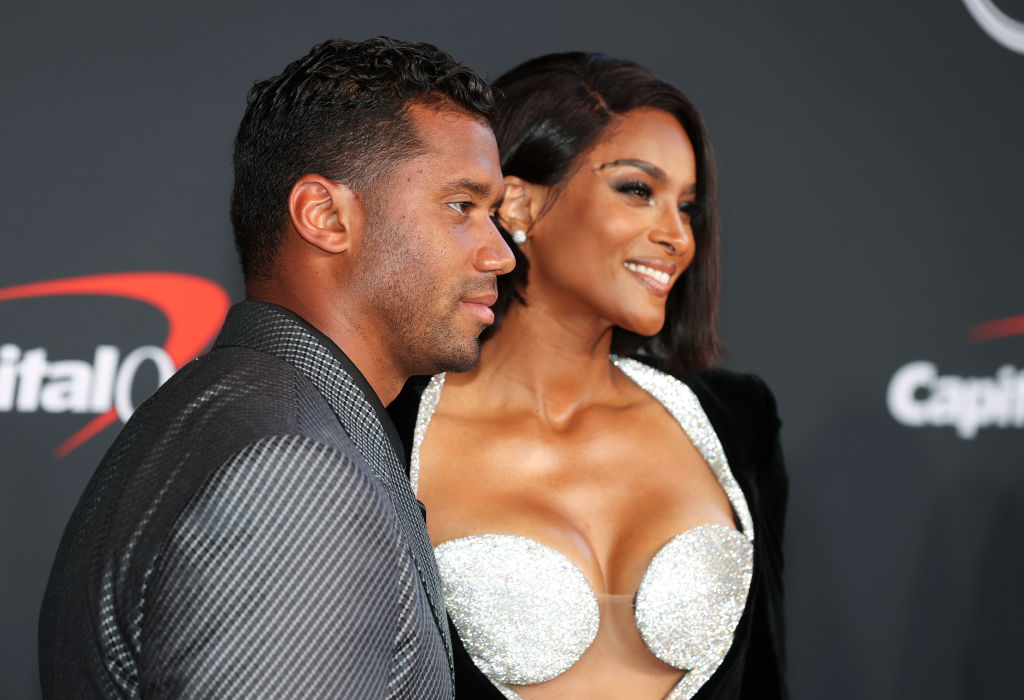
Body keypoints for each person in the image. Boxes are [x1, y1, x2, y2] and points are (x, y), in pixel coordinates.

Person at [38, 37, 514, 699]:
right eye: (461, 206)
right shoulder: (292, 470)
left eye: (494, 215)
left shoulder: (225, 413)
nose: (501, 254)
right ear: (325, 216)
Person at [389, 53, 787, 699]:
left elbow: (765, 677)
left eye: (687, 206)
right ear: (517, 204)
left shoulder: (736, 419)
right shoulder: (384, 423)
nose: (678, 236)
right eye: (638, 190)